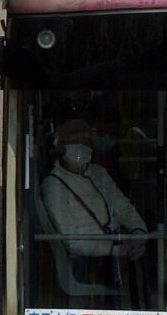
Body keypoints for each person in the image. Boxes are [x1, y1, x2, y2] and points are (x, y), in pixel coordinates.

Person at [39, 119, 147, 281]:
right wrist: (116, 250)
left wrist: (138, 231)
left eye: (87, 141)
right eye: (76, 141)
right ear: (61, 146)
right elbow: (71, 240)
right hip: (85, 266)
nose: (83, 145)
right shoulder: (52, 185)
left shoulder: (99, 173)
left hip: (120, 255)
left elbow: (123, 206)